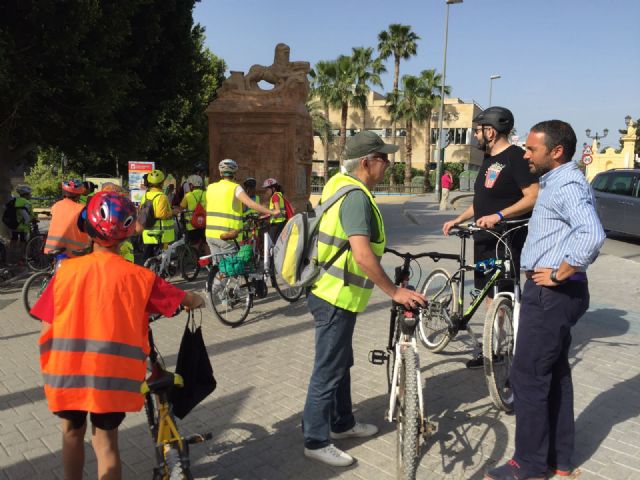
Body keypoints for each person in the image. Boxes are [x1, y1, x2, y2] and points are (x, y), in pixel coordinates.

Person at [31, 191, 204, 480]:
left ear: (86, 228)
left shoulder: (65, 273)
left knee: (72, 432)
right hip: (111, 379)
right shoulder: (140, 278)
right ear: (127, 234)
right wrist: (196, 299)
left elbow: (46, 319)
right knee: (106, 443)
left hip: (66, 372)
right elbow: (181, 299)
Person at [485, 120, 605, 480]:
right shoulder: (557, 182)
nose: (525, 154)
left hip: (552, 293)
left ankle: (530, 464)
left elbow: (591, 234)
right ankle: (559, 460)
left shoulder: (566, 183)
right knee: (553, 373)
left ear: (556, 152)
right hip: (555, 293)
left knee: (528, 376)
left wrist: (559, 272)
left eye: (532, 149)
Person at [302, 131, 427, 467]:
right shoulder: (355, 196)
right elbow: (361, 254)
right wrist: (395, 291)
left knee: (341, 363)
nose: (388, 163)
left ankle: (342, 423)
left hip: (331, 292)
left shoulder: (337, 183)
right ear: (366, 162)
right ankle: (315, 439)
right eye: (383, 158)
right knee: (328, 369)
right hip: (334, 296)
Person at [442, 106, 539, 369]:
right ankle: (493, 347)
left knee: (505, 295)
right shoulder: (487, 159)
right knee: (486, 293)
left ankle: (513, 353)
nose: (475, 135)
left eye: (478, 130)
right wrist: (459, 219)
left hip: (505, 239)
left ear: (491, 131)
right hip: (483, 237)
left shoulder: (516, 158)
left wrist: (499, 215)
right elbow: (482, 201)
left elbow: (532, 196)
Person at [205, 159, 276, 262]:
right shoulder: (235, 188)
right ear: (234, 174)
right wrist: (272, 212)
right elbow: (250, 203)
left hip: (210, 234)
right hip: (227, 235)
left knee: (219, 267)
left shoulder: (210, 187)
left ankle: (216, 277)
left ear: (220, 173)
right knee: (231, 268)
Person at [45, 180, 91, 257]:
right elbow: (90, 228)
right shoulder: (82, 209)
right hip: (74, 251)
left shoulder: (56, 205)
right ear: (79, 195)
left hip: (53, 248)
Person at [140, 170, 176, 263]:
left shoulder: (146, 195)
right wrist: (173, 212)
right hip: (161, 233)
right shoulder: (161, 196)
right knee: (161, 258)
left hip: (148, 230)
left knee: (148, 256)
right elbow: (161, 214)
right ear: (161, 183)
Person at [179, 174, 206, 245]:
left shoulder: (188, 195)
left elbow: (181, 207)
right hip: (205, 223)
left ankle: (195, 256)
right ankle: (207, 256)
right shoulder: (206, 194)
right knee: (205, 243)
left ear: (191, 185)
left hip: (191, 225)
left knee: (194, 244)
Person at [262, 177, 289, 244]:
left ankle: (271, 254)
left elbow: (277, 211)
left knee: (270, 242)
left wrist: (264, 216)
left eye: (267, 189)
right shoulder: (279, 195)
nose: (266, 192)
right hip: (281, 222)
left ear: (273, 189)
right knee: (277, 241)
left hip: (276, 223)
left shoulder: (275, 197)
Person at [9, 184, 33, 253]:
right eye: (29, 194)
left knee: (14, 239)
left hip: (14, 225)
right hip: (23, 226)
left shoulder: (15, 200)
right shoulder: (26, 202)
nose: (30, 195)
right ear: (25, 194)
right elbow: (26, 216)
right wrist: (30, 219)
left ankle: (10, 257)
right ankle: (22, 258)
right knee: (23, 242)